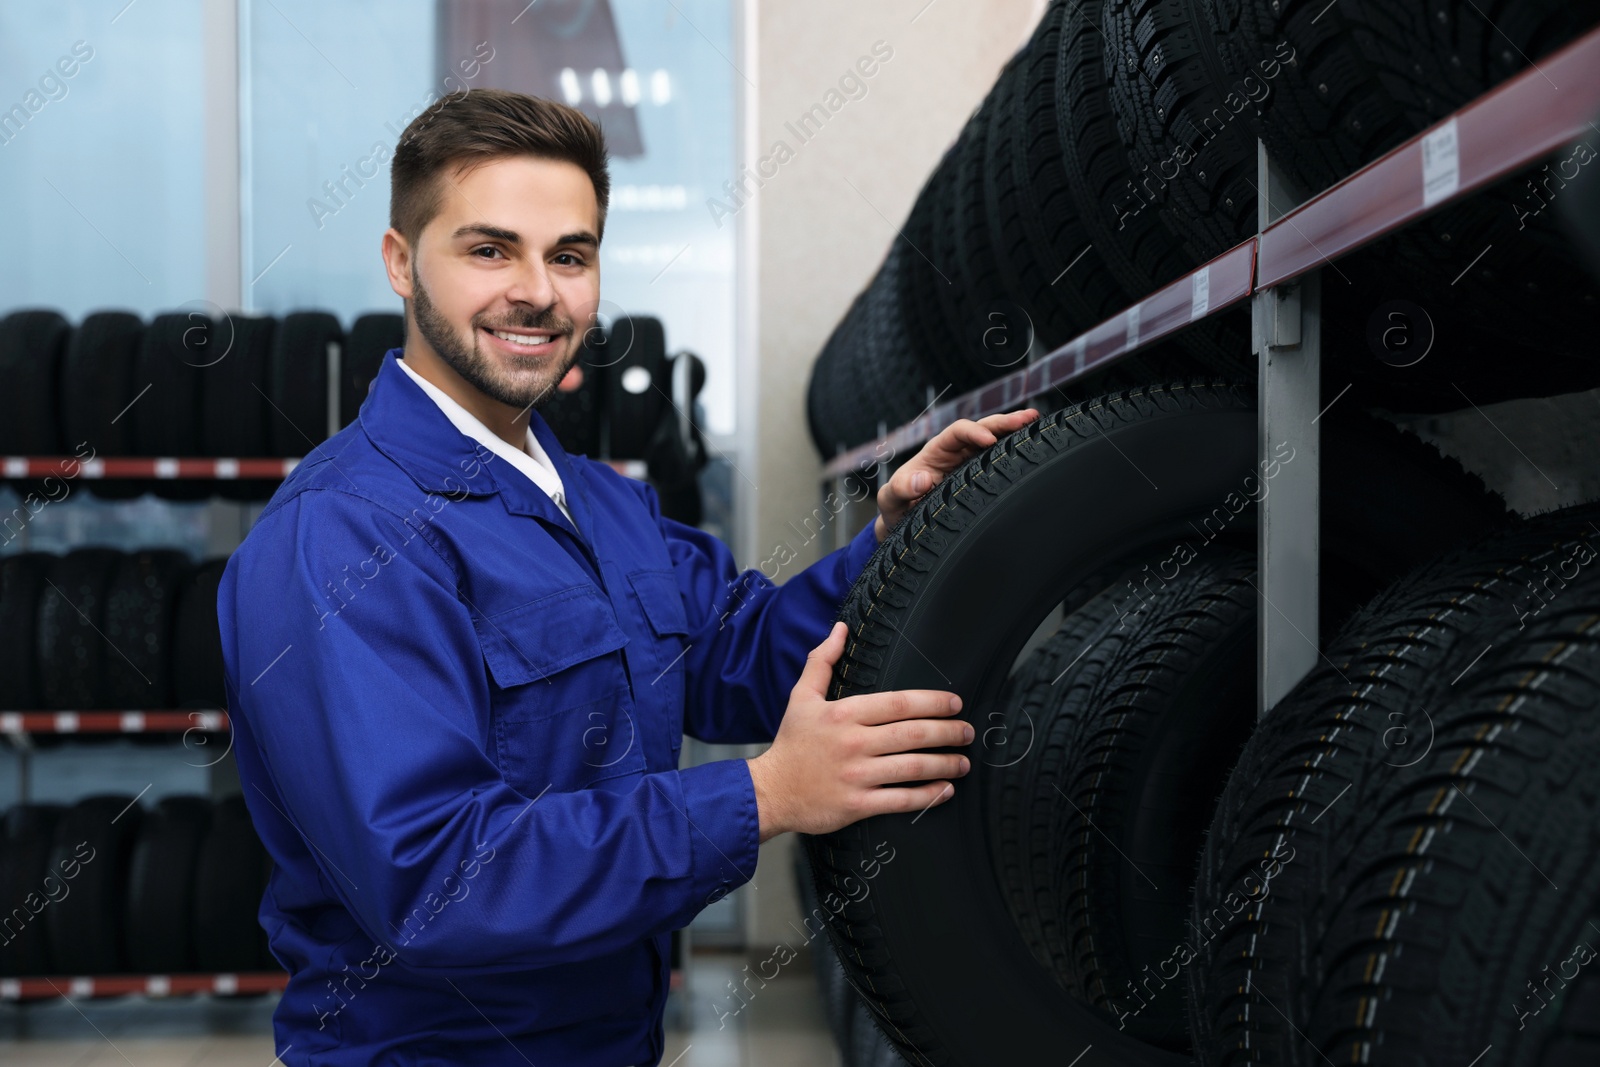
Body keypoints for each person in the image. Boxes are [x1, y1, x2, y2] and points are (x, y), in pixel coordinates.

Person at [217, 87, 1038, 1066]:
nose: (537, 290)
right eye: (489, 249)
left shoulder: (598, 501)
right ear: (401, 262)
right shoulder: (346, 535)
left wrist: (896, 544)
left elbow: (740, 656)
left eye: (569, 255)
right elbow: (437, 877)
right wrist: (762, 796)